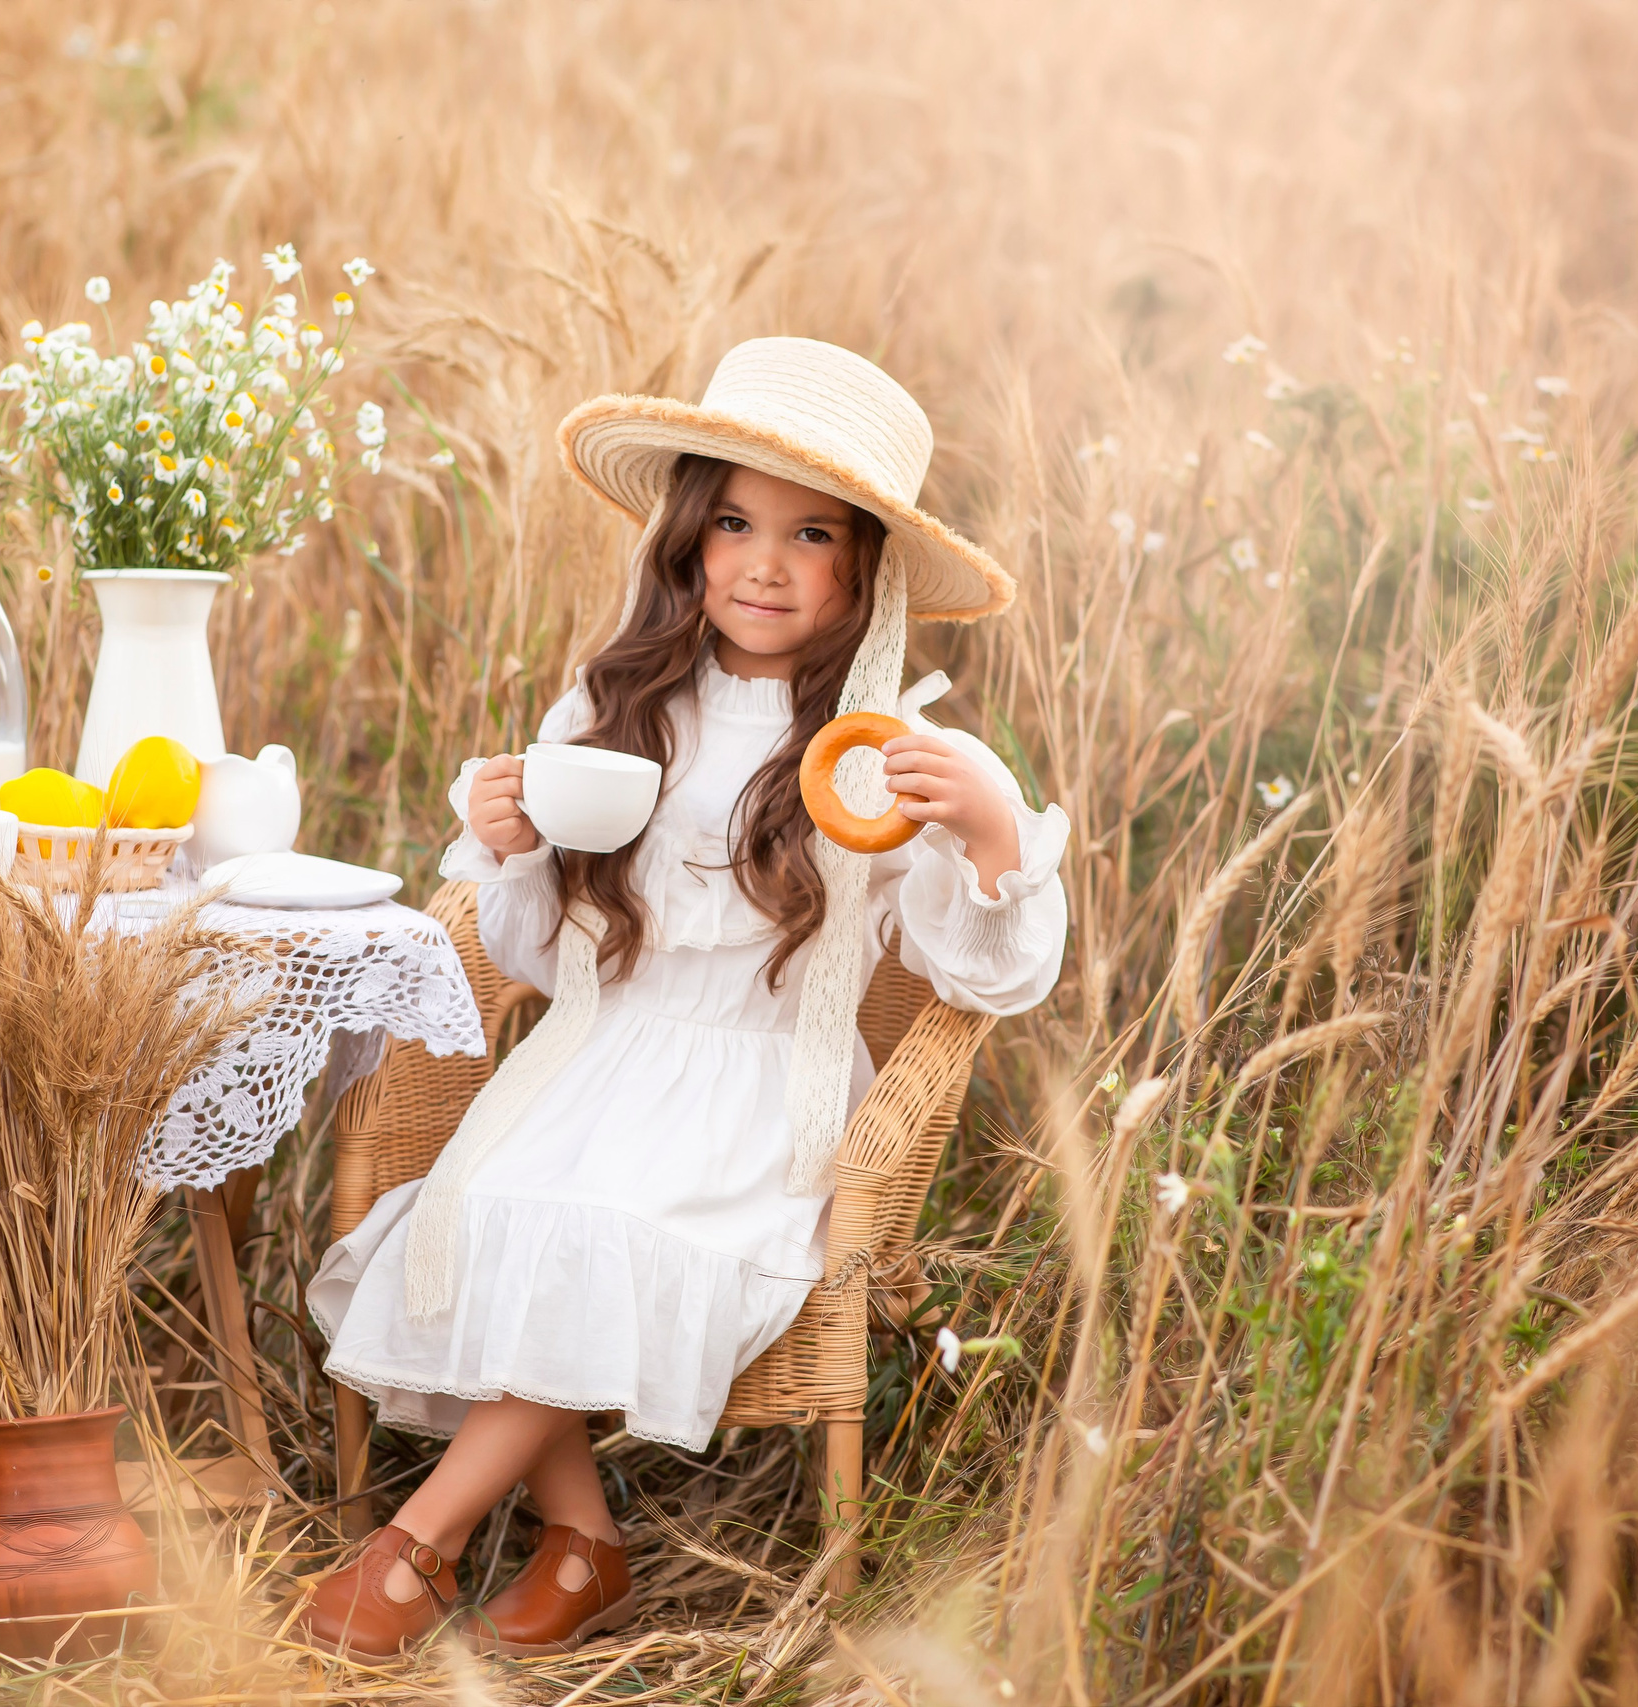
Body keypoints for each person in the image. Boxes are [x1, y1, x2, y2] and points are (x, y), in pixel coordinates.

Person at [303, 338, 1071, 1660]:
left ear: (865, 568)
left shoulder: (890, 752)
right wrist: (507, 845)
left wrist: (996, 836)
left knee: (604, 1224)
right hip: (601, 1058)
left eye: (810, 533)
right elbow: (542, 958)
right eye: (733, 522)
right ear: (687, 538)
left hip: (764, 1092)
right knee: (492, 1210)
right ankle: (587, 1546)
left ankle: (414, 1545)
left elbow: (987, 978)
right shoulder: (615, 708)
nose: (764, 563)